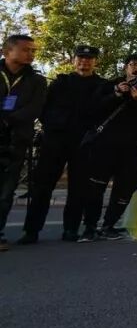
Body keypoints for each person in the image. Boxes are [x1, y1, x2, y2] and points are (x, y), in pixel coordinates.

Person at [21, 45, 106, 244]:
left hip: (84, 143)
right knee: (42, 187)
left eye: (89, 58)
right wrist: (51, 126)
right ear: (73, 60)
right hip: (55, 141)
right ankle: (31, 230)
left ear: (95, 62)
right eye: (81, 58)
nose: (84, 62)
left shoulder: (102, 85)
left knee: (78, 189)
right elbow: (43, 107)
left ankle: (71, 229)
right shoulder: (60, 82)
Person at [77, 53, 137, 241]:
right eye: (133, 64)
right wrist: (116, 94)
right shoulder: (110, 85)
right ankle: (90, 227)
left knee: (127, 186)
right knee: (95, 187)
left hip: (132, 148)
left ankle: (109, 225)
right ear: (125, 68)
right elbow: (93, 109)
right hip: (104, 146)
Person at [0, 35, 47, 252]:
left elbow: (35, 108)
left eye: (33, 50)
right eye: (26, 49)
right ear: (7, 51)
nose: (31, 54)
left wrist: (9, 120)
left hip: (16, 141)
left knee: (6, 191)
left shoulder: (37, 80)